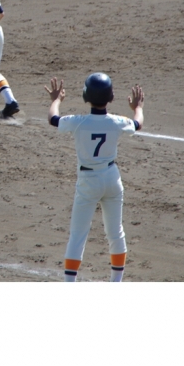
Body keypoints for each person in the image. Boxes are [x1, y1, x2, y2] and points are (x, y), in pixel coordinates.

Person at [45, 73, 144, 282]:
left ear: (86, 96)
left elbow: (53, 119)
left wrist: (56, 100)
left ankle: (70, 283)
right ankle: (116, 282)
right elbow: (137, 124)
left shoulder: (78, 122)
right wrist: (137, 107)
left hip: (88, 181)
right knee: (115, 232)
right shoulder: (117, 122)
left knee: (78, 235)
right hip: (112, 179)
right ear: (111, 97)